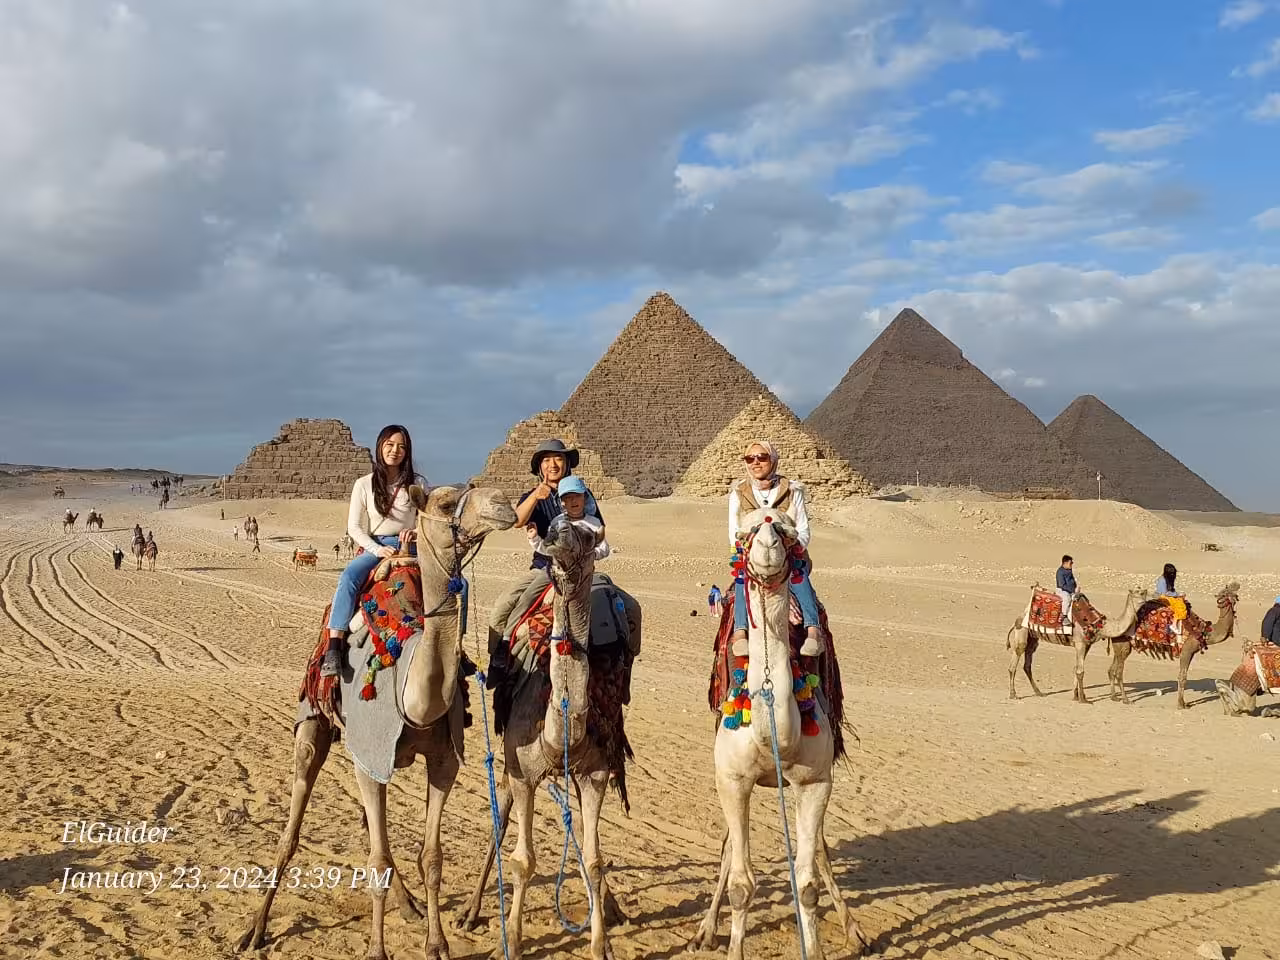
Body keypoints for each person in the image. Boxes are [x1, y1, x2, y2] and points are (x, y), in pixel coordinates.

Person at [487, 439, 604, 674]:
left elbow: (599, 529)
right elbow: (516, 520)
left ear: (567, 464)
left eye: (558, 458)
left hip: (580, 568)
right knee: (506, 604)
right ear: (539, 467)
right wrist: (535, 497)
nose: (553, 465)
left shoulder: (582, 494)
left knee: (620, 609)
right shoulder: (533, 496)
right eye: (546, 460)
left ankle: (617, 664)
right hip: (545, 568)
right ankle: (500, 654)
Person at [321, 424, 425, 678]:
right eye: (389, 445)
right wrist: (377, 550)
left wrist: (416, 533)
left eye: (401, 446)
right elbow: (354, 527)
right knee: (348, 577)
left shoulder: (418, 484)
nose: (395, 451)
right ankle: (334, 647)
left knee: (456, 585)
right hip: (376, 546)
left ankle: (455, 647)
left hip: (410, 548)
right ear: (380, 447)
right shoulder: (364, 484)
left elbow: (428, 520)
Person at [728, 440, 824, 657]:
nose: (755, 463)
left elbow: (803, 530)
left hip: (786, 554)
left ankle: (813, 630)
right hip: (753, 558)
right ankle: (740, 632)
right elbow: (735, 533)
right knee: (742, 579)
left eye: (762, 457)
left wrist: (788, 544)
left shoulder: (792, 490)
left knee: (798, 574)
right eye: (749, 458)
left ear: (772, 460)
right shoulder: (739, 493)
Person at [1154, 562, 1187, 634]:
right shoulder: (1161, 580)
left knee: (1181, 600)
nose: (1173, 575)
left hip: (1168, 596)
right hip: (1163, 597)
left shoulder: (1168, 579)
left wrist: (1178, 595)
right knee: (1180, 606)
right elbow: (1165, 593)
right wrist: (1177, 594)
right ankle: (1174, 624)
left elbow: (1170, 591)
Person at [1055, 555, 1077, 626]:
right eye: (1070, 563)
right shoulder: (1060, 572)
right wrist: (1072, 589)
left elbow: (1072, 580)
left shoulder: (1069, 570)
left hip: (1070, 590)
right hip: (1062, 590)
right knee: (1067, 599)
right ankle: (1064, 616)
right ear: (1065, 563)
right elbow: (1062, 585)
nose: (1071, 564)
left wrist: (1075, 587)